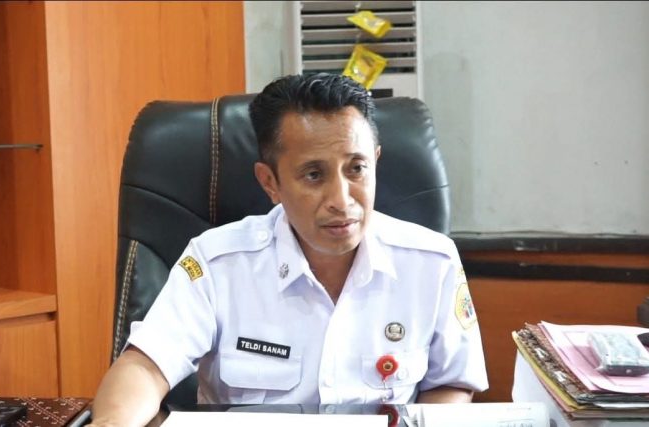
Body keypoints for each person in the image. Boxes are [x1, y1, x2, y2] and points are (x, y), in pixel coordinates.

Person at [89, 74, 488, 426]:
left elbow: (451, 383)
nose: (341, 200)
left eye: (356, 168)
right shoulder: (216, 263)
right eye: (314, 175)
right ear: (270, 183)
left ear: (375, 162)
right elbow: (145, 367)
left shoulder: (431, 262)